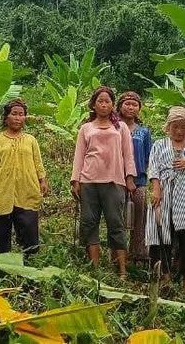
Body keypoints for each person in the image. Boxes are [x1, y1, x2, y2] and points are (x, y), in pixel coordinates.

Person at [71, 86, 137, 278]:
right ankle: (95, 268)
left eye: (107, 101)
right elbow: (79, 156)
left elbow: (128, 154)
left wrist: (129, 178)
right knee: (89, 222)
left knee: (116, 223)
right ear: (93, 104)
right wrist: (76, 180)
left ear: (112, 105)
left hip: (114, 181)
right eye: (100, 101)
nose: (104, 104)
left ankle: (122, 269)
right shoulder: (86, 128)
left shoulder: (121, 127)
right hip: (89, 181)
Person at [146, 106, 185, 292]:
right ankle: (163, 274)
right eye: (175, 127)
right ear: (168, 127)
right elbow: (153, 167)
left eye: (183, 127)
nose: (179, 131)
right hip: (164, 192)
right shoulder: (159, 145)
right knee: (161, 231)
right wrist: (156, 189)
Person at [0, 99, 48, 255]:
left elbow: (38, 163)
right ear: (6, 117)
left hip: (27, 189)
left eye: (21, 114)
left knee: (29, 227)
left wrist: (42, 180)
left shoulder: (31, 140)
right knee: (0, 229)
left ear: (25, 118)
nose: (18, 118)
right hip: (2, 190)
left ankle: (30, 261)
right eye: (14, 114)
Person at [117, 91, 152, 265]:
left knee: (140, 217)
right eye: (127, 104)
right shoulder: (113, 128)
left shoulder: (144, 132)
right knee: (118, 219)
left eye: (134, 104)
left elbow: (148, 157)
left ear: (139, 108)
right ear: (120, 106)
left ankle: (138, 255)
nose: (130, 107)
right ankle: (118, 255)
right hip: (116, 180)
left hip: (139, 181)